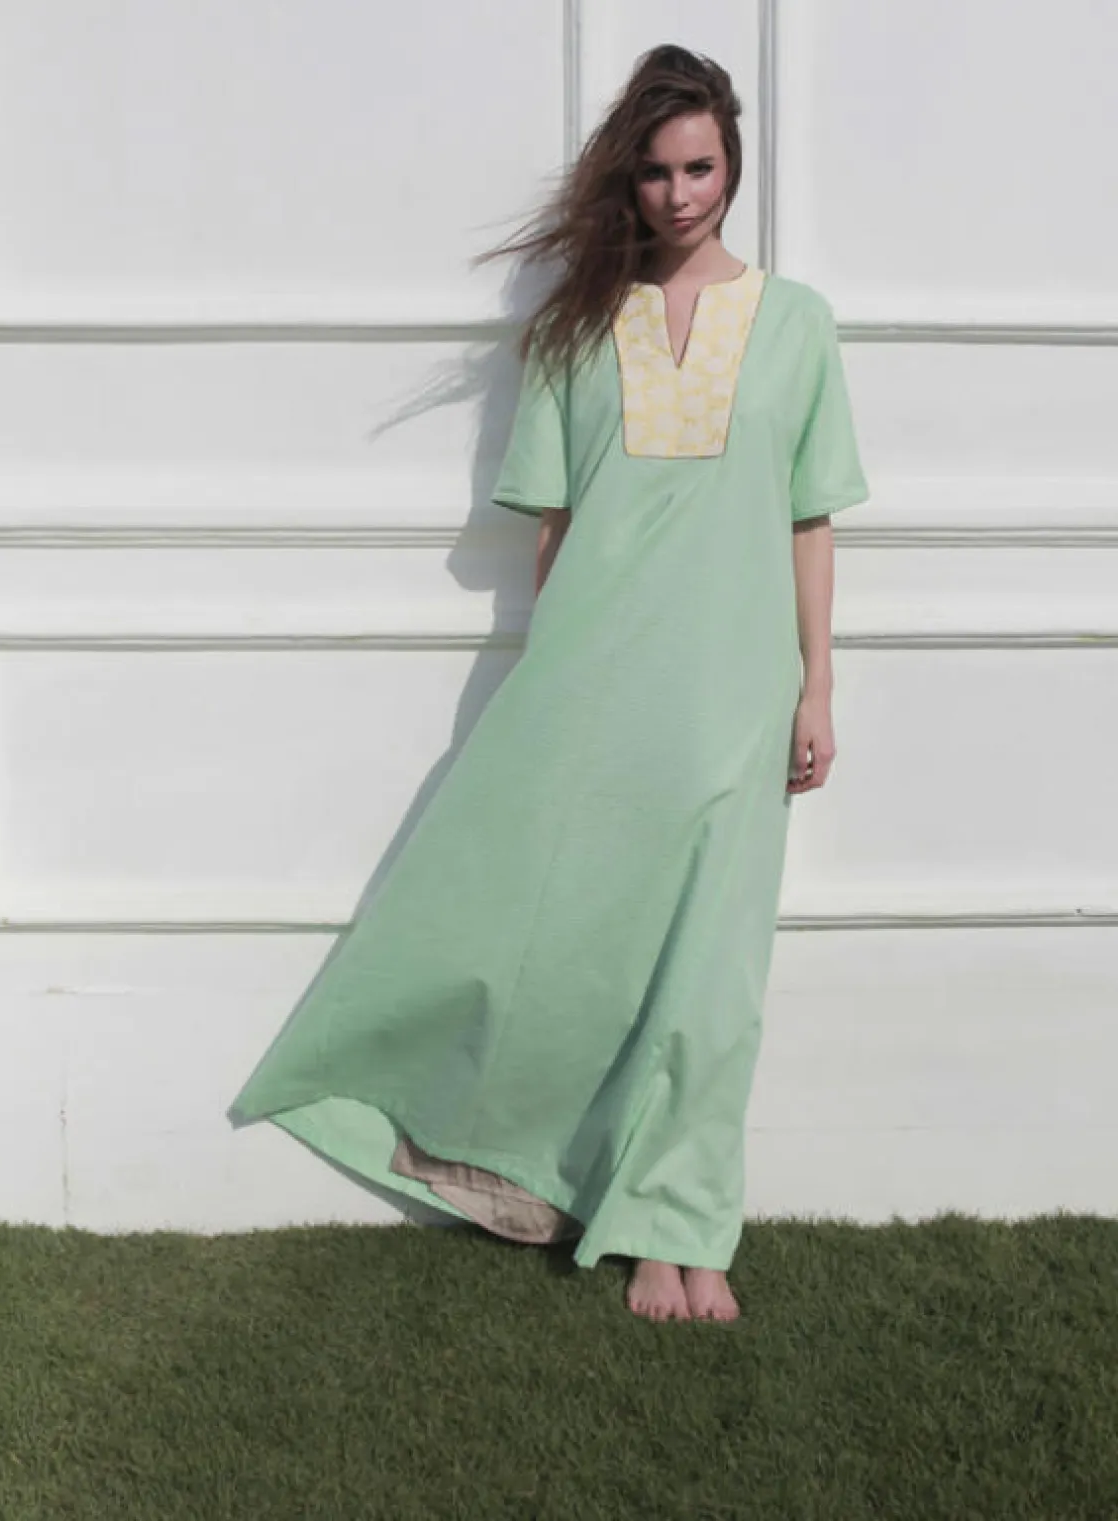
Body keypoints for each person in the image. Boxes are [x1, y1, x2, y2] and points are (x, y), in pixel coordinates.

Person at [229, 44, 869, 1323]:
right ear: (628, 182)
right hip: (599, 683)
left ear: (735, 164)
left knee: (714, 976)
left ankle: (687, 1227)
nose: (680, 195)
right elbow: (556, 534)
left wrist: (817, 689)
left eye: (701, 168)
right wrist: (549, 685)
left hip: (737, 689)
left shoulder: (797, 323)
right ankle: (583, 1192)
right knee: (574, 952)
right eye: (657, 173)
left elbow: (810, 519)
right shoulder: (578, 330)